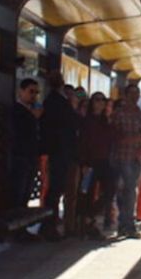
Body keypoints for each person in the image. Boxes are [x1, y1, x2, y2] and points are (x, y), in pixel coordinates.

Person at [109, 84, 141, 239]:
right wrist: (132, 139)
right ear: (125, 95)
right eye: (132, 93)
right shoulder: (118, 114)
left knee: (130, 190)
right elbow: (113, 136)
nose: (135, 97)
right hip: (120, 157)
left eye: (137, 93)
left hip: (136, 158)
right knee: (124, 191)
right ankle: (126, 223)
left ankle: (126, 224)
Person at [40, 71, 79, 241]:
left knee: (55, 190)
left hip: (58, 150)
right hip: (61, 151)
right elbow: (71, 123)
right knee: (56, 189)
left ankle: (50, 224)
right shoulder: (59, 102)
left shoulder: (51, 101)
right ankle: (49, 225)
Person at [76, 91, 114, 239]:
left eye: (102, 100)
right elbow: (82, 142)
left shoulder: (106, 120)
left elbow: (112, 138)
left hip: (104, 161)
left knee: (110, 190)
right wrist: (84, 163)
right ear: (92, 103)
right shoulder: (86, 121)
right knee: (87, 193)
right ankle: (87, 226)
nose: (100, 102)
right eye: (97, 99)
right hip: (90, 162)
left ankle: (89, 217)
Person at [10, 78, 42, 209]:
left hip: (31, 158)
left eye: (36, 92)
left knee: (27, 193)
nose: (34, 95)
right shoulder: (16, 111)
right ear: (21, 92)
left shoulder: (33, 112)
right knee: (18, 193)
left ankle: (22, 224)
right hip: (20, 158)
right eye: (31, 91)